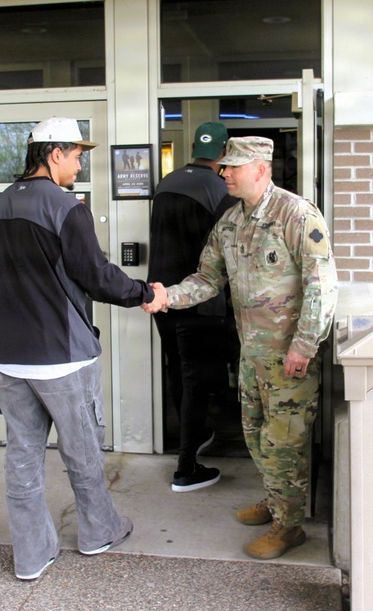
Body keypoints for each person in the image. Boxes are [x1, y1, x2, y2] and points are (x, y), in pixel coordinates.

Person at [0, 116, 163, 581]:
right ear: (54, 153)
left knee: (22, 453)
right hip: (61, 354)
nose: (81, 165)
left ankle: (31, 555)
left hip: (5, 353)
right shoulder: (64, 206)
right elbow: (95, 275)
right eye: (78, 155)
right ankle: (99, 531)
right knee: (82, 450)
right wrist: (145, 293)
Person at [144, 136, 336, 560]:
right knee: (255, 436)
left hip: (290, 358)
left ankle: (290, 527)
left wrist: (304, 347)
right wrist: (167, 297)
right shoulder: (230, 222)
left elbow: (321, 287)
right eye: (225, 165)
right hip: (250, 355)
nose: (224, 172)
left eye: (233, 166)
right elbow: (207, 279)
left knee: (285, 443)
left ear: (261, 169)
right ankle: (275, 499)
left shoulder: (297, 214)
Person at [148, 121, 238, 493]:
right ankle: (188, 465)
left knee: (178, 369)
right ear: (223, 153)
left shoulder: (165, 182)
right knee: (198, 378)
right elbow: (227, 251)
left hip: (161, 296)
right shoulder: (221, 189)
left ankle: (193, 434)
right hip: (199, 300)